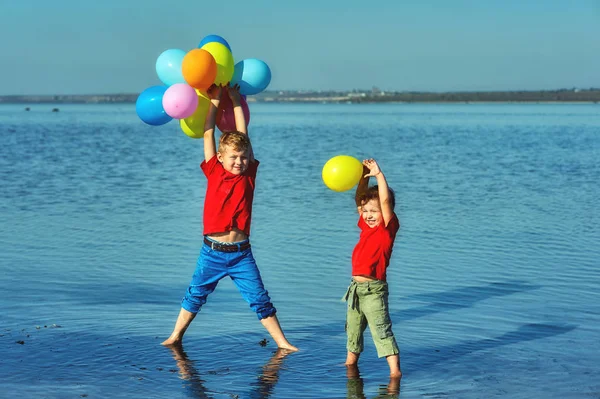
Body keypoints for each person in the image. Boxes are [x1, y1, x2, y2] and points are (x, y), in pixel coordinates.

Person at [162, 84, 297, 352]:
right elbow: (208, 132)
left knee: (259, 298)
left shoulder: (249, 175)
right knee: (195, 294)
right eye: (233, 157)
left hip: (241, 254)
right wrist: (213, 101)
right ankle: (175, 336)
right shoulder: (213, 170)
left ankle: (282, 343)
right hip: (211, 252)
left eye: (244, 157)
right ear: (221, 157)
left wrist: (236, 101)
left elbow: (244, 134)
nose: (239, 161)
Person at [342, 158, 402, 378]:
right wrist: (362, 179)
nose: (367, 214)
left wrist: (378, 175)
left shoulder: (387, 229)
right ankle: (350, 365)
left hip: (374, 291)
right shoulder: (365, 227)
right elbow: (359, 199)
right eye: (366, 210)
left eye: (373, 211)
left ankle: (395, 373)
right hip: (355, 290)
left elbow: (384, 201)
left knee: (381, 331)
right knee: (353, 331)